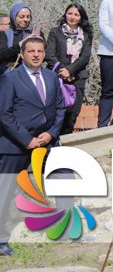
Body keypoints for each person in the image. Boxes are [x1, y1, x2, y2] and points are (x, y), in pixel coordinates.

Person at [0, 36, 64, 256]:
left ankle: (62, 227)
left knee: (64, 176)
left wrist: (51, 133)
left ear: (44, 54)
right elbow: (4, 114)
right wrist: (26, 140)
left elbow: (59, 108)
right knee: (5, 191)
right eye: (31, 51)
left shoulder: (51, 77)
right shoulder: (10, 78)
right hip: (15, 144)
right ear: (23, 54)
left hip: (46, 141)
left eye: (39, 51)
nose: (36, 55)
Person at [45, 4, 93, 134]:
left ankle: (66, 139)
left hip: (77, 78)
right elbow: (49, 54)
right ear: (65, 14)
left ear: (81, 17)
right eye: (70, 13)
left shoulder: (86, 35)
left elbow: (85, 57)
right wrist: (63, 70)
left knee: (72, 114)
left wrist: (70, 70)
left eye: (76, 14)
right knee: (54, 111)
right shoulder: (55, 32)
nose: (72, 17)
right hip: (56, 76)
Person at [0, 3, 36, 68]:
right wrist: (20, 45)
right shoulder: (4, 34)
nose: (26, 19)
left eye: (28, 17)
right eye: (22, 17)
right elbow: (2, 55)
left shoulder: (33, 34)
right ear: (14, 17)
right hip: (8, 72)